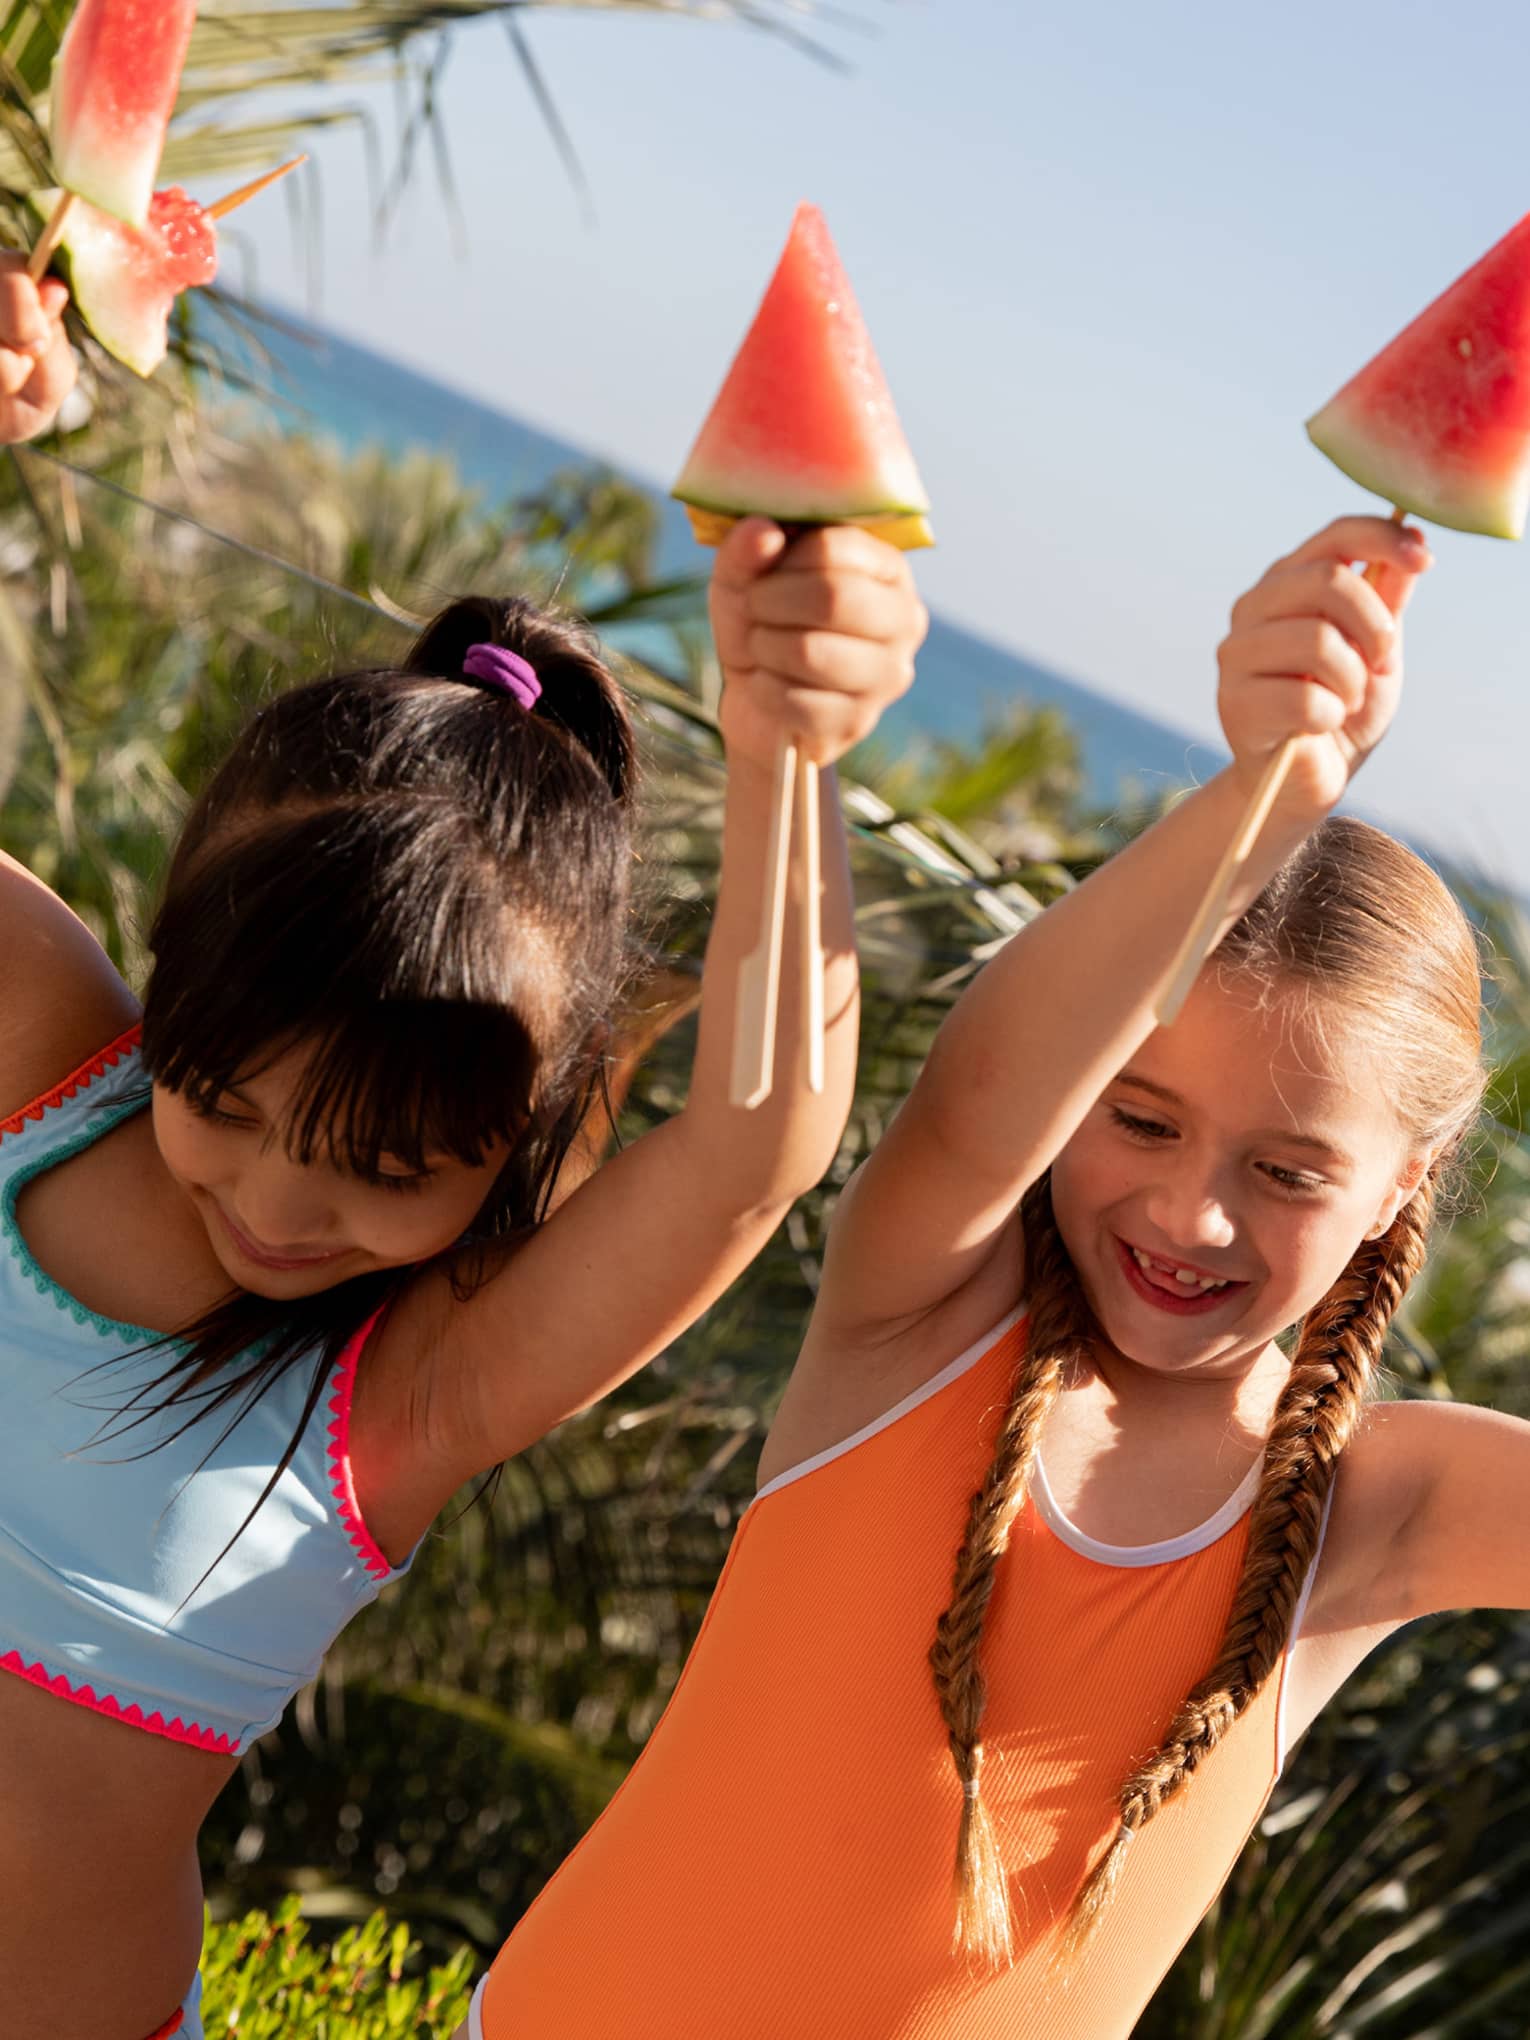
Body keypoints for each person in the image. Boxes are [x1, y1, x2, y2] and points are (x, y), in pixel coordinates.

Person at [0, 258, 930, 2040]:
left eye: (385, 1164)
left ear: (514, 1132)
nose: (280, 1204)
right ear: (173, 965)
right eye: (229, 1100)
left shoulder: (409, 1395)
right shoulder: (44, 1065)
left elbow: (752, 1143)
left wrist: (788, 753)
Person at [462, 513, 1530, 2039]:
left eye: (1285, 1172)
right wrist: (1263, 792)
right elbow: (973, 1105)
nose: (1189, 1212)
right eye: (1139, 1118)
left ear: (1398, 1190)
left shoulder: (1379, 1510)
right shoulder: (924, 1319)